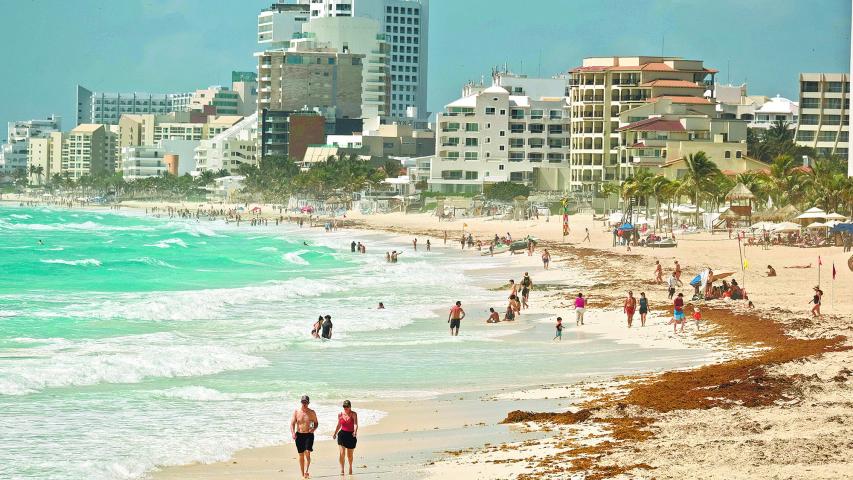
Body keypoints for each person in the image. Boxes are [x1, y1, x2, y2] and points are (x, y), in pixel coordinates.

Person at [290, 395, 318, 479]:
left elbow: (316, 423)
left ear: (308, 403)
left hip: (309, 435)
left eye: (305, 402)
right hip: (299, 435)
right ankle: (302, 474)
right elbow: (292, 424)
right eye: (303, 402)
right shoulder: (296, 412)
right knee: (301, 455)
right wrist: (293, 433)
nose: (304, 404)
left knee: (307, 452)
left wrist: (313, 429)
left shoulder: (312, 412)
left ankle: (306, 471)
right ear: (301, 402)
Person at [332, 400, 359, 476]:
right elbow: (339, 425)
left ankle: (350, 467)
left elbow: (355, 424)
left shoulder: (354, 414)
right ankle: (342, 469)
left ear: (350, 406)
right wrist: (335, 433)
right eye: (344, 406)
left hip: (351, 436)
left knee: (349, 455)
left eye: (347, 406)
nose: (345, 408)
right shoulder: (340, 414)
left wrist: (355, 431)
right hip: (342, 435)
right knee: (342, 453)